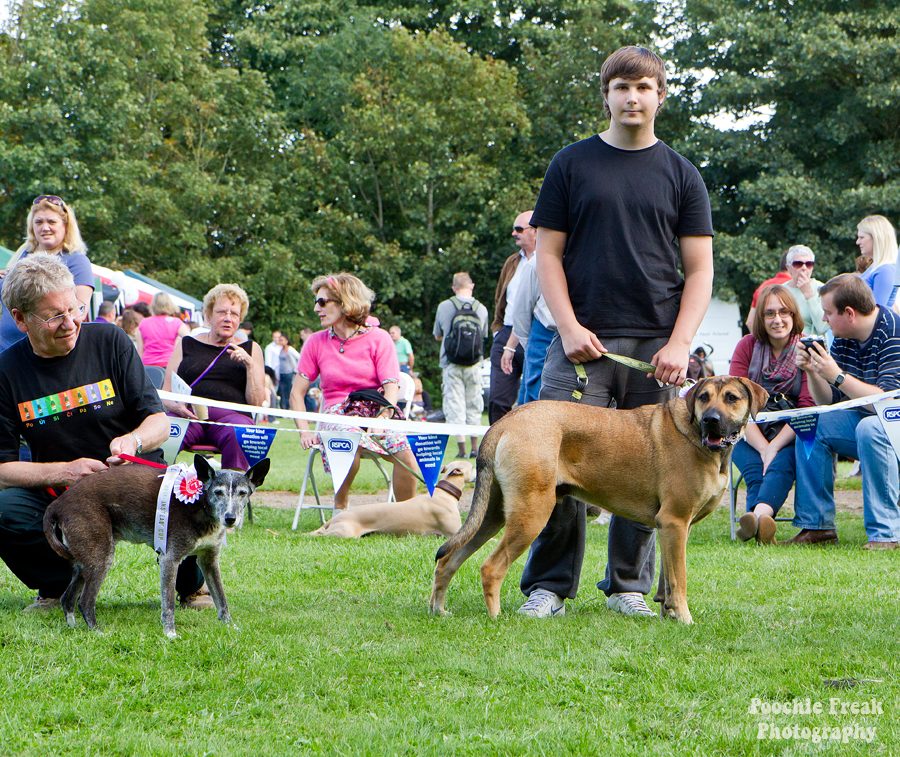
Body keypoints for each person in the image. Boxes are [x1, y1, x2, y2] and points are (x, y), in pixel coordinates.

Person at [517, 46, 714, 620]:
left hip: (656, 350)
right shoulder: (571, 163)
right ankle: (548, 586)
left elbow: (699, 270)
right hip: (580, 344)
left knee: (654, 467)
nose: (633, 97)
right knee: (553, 465)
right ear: (605, 95)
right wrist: (570, 326)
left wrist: (679, 344)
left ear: (660, 96)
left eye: (644, 87)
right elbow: (546, 257)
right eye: (622, 86)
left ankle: (629, 586)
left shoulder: (682, 174)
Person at [0, 254, 205, 611]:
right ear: (20, 319)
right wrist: (64, 471)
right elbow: (2, 470)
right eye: (53, 316)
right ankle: (59, 587)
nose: (70, 323)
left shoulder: (110, 340)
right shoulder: (6, 372)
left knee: (183, 501)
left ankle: (192, 587)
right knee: (3, 509)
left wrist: (134, 441)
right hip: (60, 489)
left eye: (74, 309)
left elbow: (158, 421)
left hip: (135, 478)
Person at [784, 274, 900, 548]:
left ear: (849, 313)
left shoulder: (893, 331)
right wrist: (814, 372)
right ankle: (817, 527)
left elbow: (887, 405)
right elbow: (829, 403)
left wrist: (836, 375)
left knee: (870, 427)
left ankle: (886, 534)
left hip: (891, 423)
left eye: (827, 313)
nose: (823, 319)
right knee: (810, 424)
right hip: (868, 420)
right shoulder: (844, 335)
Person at [290, 273, 418, 510]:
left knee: (407, 454)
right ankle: (341, 510)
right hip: (336, 412)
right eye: (316, 301)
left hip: (376, 407)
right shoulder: (315, 342)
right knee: (349, 438)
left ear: (345, 303)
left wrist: (383, 416)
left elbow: (391, 386)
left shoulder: (379, 338)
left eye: (322, 302)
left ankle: (406, 516)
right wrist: (304, 432)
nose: (316, 308)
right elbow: (296, 393)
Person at [729, 285, 814, 544]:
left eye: (784, 312)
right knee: (755, 468)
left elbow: (808, 408)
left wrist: (773, 447)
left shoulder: (807, 347)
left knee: (779, 464)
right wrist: (763, 447)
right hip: (746, 431)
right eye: (769, 314)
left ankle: (755, 516)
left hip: (791, 433)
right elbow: (736, 402)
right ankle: (762, 519)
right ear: (760, 319)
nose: (777, 320)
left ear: (794, 315)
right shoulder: (747, 346)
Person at [162, 284, 266, 471]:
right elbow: (166, 392)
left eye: (234, 314)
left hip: (232, 420)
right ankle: (157, 489)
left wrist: (250, 365)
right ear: (208, 316)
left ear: (240, 319)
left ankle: (232, 494)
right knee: (161, 431)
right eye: (221, 312)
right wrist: (177, 407)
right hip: (188, 417)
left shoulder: (250, 349)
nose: (228, 319)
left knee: (241, 432)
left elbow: (257, 404)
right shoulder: (187, 344)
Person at [0, 195, 94, 353]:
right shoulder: (22, 255)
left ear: (65, 225)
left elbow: (77, 313)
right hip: (5, 352)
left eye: (51, 222)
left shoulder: (77, 261)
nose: (45, 228)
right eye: (38, 222)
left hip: (42, 356)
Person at [434, 272, 490, 459]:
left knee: (454, 404)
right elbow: (483, 336)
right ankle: (475, 448)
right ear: (471, 286)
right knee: (474, 404)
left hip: (451, 363)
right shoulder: (481, 308)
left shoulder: (444, 306)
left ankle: (462, 450)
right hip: (474, 363)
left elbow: (438, 334)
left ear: (453, 288)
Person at [488, 211, 533, 423]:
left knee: (533, 400)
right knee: (497, 399)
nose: (513, 233)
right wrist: (498, 332)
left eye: (519, 229)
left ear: (535, 231)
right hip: (506, 331)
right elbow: (500, 297)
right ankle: (494, 450)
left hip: (537, 334)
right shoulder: (512, 262)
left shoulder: (552, 259)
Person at [510, 250, 556, 403]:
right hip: (544, 335)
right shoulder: (535, 264)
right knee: (534, 398)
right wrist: (529, 347)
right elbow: (521, 312)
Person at [136, 292, 190, 368]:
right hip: (169, 364)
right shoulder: (176, 322)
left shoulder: (143, 323)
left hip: (148, 365)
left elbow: (140, 351)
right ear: (169, 305)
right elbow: (190, 340)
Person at [782, 245, 827, 336]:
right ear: (788, 268)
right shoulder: (781, 290)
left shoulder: (822, 288)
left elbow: (822, 327)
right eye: (798, 264)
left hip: (812, 346)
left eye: (809, 264)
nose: (804, 268)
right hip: (787, 346)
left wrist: (809, 295)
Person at [856, 215, 898, 308]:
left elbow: (876, 312)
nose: (858, 242)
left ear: (876, 237)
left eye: (861, 237)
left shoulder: (885, 270)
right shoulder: (876, 267)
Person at [745, 251, 791, 330]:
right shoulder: (795, 287)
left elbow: (750, 322)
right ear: (789, 266)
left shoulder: (763, 287)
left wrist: (760, 340)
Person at [276, 333, 300, 410]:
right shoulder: (280, 350)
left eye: (282, 340)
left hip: (289, 373)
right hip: (282, 373)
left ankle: (289, 408)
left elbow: (299, 357)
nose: (280, 342)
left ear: (286, 341)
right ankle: (283, 408)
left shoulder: (290, 349)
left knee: (288, 392)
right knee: (282, 392)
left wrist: (296, 369)